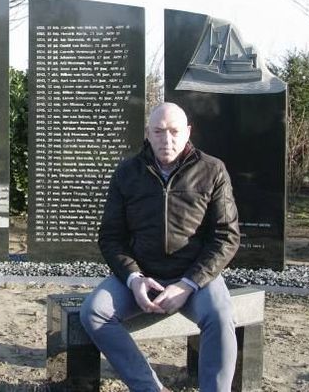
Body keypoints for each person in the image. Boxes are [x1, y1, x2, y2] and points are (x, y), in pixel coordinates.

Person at [80, 102, 240, 392]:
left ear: (188, 132)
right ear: (148, 134)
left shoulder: (212, 170)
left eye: (174, 131)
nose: (167, 140)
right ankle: (149, 388)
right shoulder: (127, 172)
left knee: (220, 315)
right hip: (143, 275)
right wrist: (134, 278)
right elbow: (110, 236)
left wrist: (189, 284)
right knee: (94, 311)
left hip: (195, 278)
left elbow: (226, 236)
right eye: (159, 131)